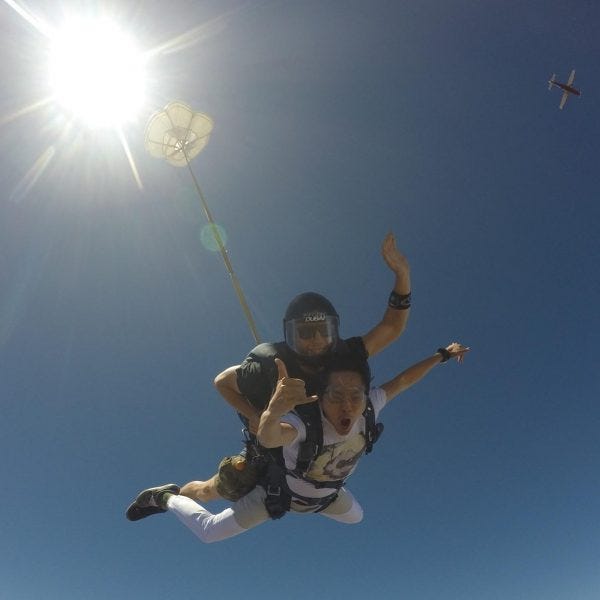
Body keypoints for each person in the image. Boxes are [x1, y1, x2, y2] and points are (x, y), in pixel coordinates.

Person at [126, 342, 470, 543]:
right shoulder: (304, 421)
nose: (347, 404)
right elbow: (272, 435)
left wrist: (442, 354)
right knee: (210, 531)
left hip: (325, 496)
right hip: (279, 494)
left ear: (365, 394)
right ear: (321, 397)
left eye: (355, 394)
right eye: (336, 395)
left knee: (359, 518)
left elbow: (405, 379)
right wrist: (273, 411)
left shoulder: (369, 407)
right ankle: (164, 496)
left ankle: (310, 496)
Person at [181, 232, 412, 503]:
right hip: (272, 441)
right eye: (304, 332)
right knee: (220, 488)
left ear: (334, 332)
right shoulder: (271, 362)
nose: (315, 341)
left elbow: (392, 327)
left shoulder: (346, 356)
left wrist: (403, 275)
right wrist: (255, 415)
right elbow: (222, 381)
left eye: (322, 331)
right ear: (289, 336)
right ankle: (170, 496)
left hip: (310, 450)